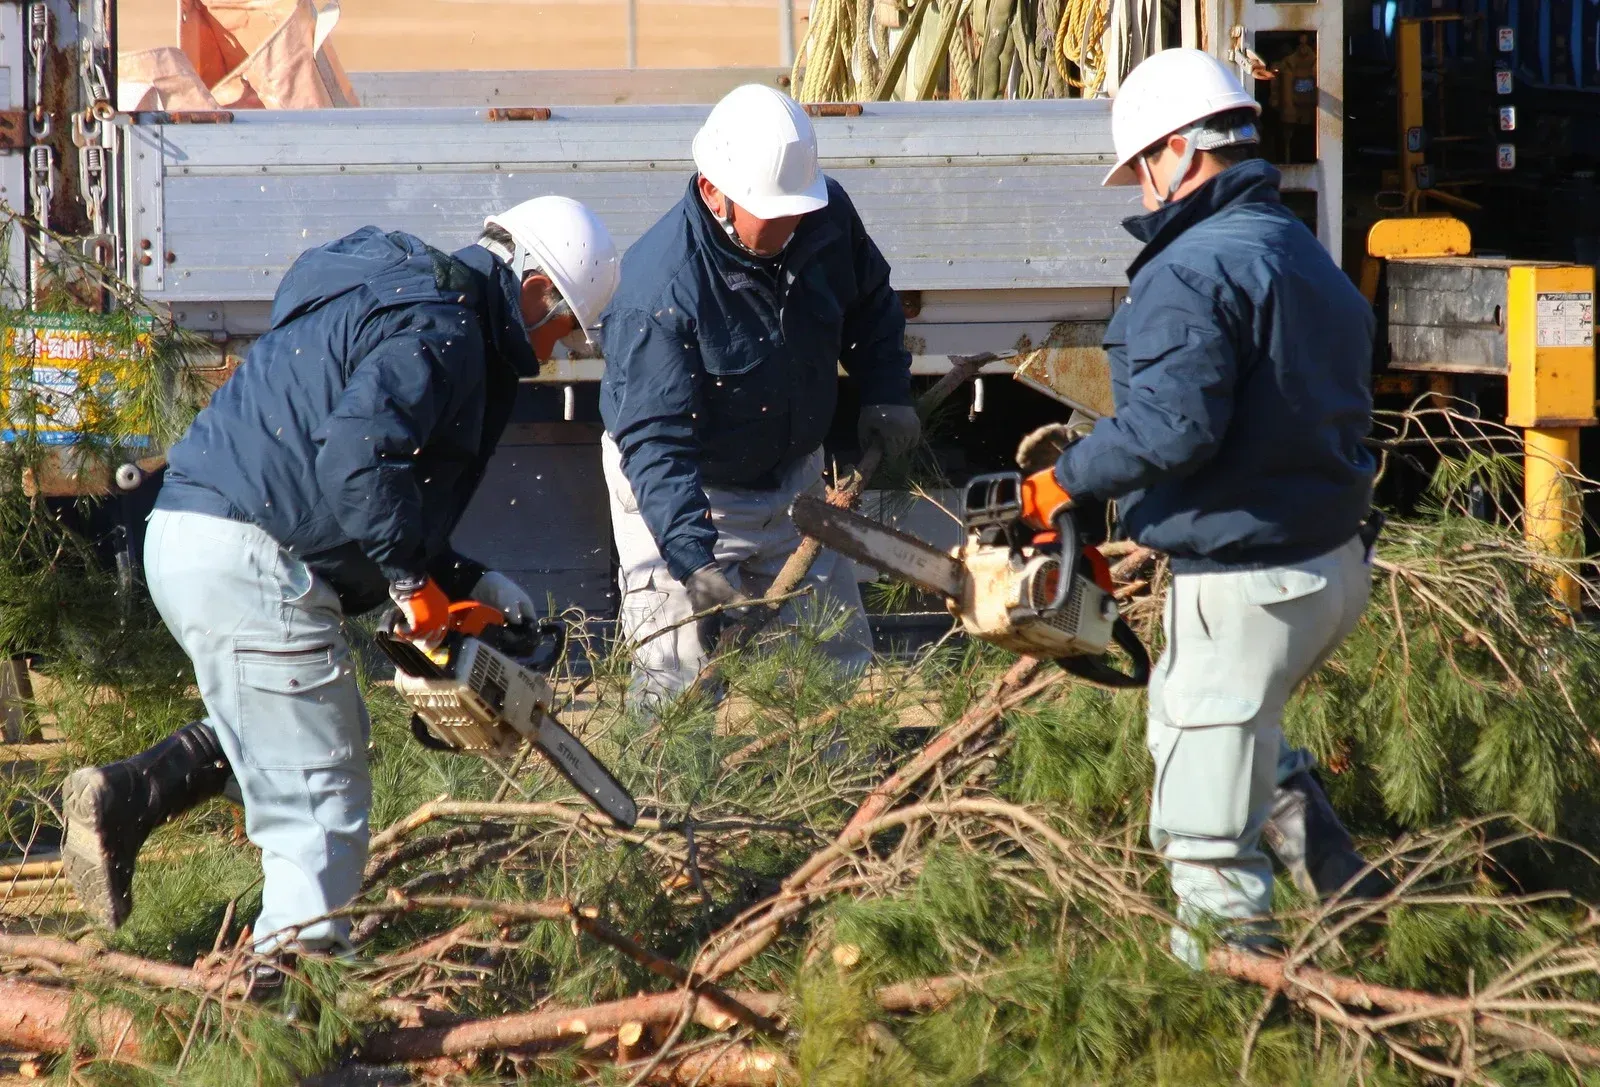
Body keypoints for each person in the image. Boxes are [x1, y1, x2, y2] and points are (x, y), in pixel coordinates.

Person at [61, 197, 620, 959]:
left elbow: (366, 467)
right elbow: (357, 457)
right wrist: (407, 580)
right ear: (537, 290)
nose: (558, 352)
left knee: (318, 730)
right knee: (322, 805)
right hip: (251, 554)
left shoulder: (398, 280)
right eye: (565, 329)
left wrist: (463, 579)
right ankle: (290, 1006)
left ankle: (127, 796)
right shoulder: (448, 329)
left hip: (189, 530)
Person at [1014, 48, 1389, 964]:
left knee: (1205, 836)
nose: (1142, 185)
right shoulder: (1295, 246)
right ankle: (1360, 911)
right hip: (1328, 566)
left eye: (1144, 163)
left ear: (1179, 152)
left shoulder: (1189, 269)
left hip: (1247, 584)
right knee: (1225, 735)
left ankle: (1223, 1028)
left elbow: (1171, 429)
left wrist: (1067, 479)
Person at [598, 84, 917, 707]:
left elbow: (871, 302)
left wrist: (886, 391)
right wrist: (692, 560)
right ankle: (669, 802)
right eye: (774, 214)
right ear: (714, 190)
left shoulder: (821, 213)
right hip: (688, 497)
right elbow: (657, 446)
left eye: (796, 207)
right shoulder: (660, 290)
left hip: (794, 479)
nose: (791, 222)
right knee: (674, 688)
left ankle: (841, 797)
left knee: (835, 666)